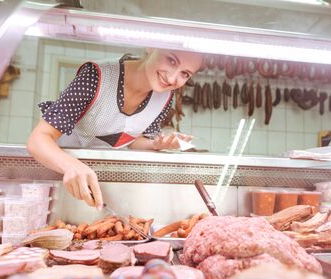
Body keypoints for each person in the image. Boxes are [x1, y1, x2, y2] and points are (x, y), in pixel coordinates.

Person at [27, 48, 203, 210]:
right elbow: (38, 139)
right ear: (151, 47)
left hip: (105, 180)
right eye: (171, 60)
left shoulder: (164, 98)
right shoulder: (95, 77)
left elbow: (134, 142)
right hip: (62, 176)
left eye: (185, 74)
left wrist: (157, 145)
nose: (172, 79)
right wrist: (71, 165)